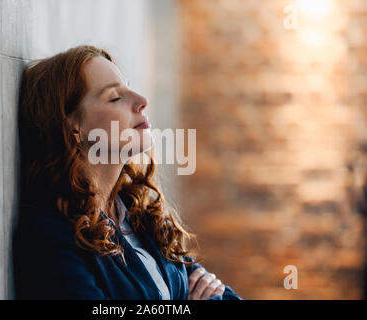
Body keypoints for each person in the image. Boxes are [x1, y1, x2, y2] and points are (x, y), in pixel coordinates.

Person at [13, 45, 242, 300]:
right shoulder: (50, 236)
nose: (142, 101)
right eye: (115, 97)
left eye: (129, 87)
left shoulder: (137, 215)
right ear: (73, 127)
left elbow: (222, 296)